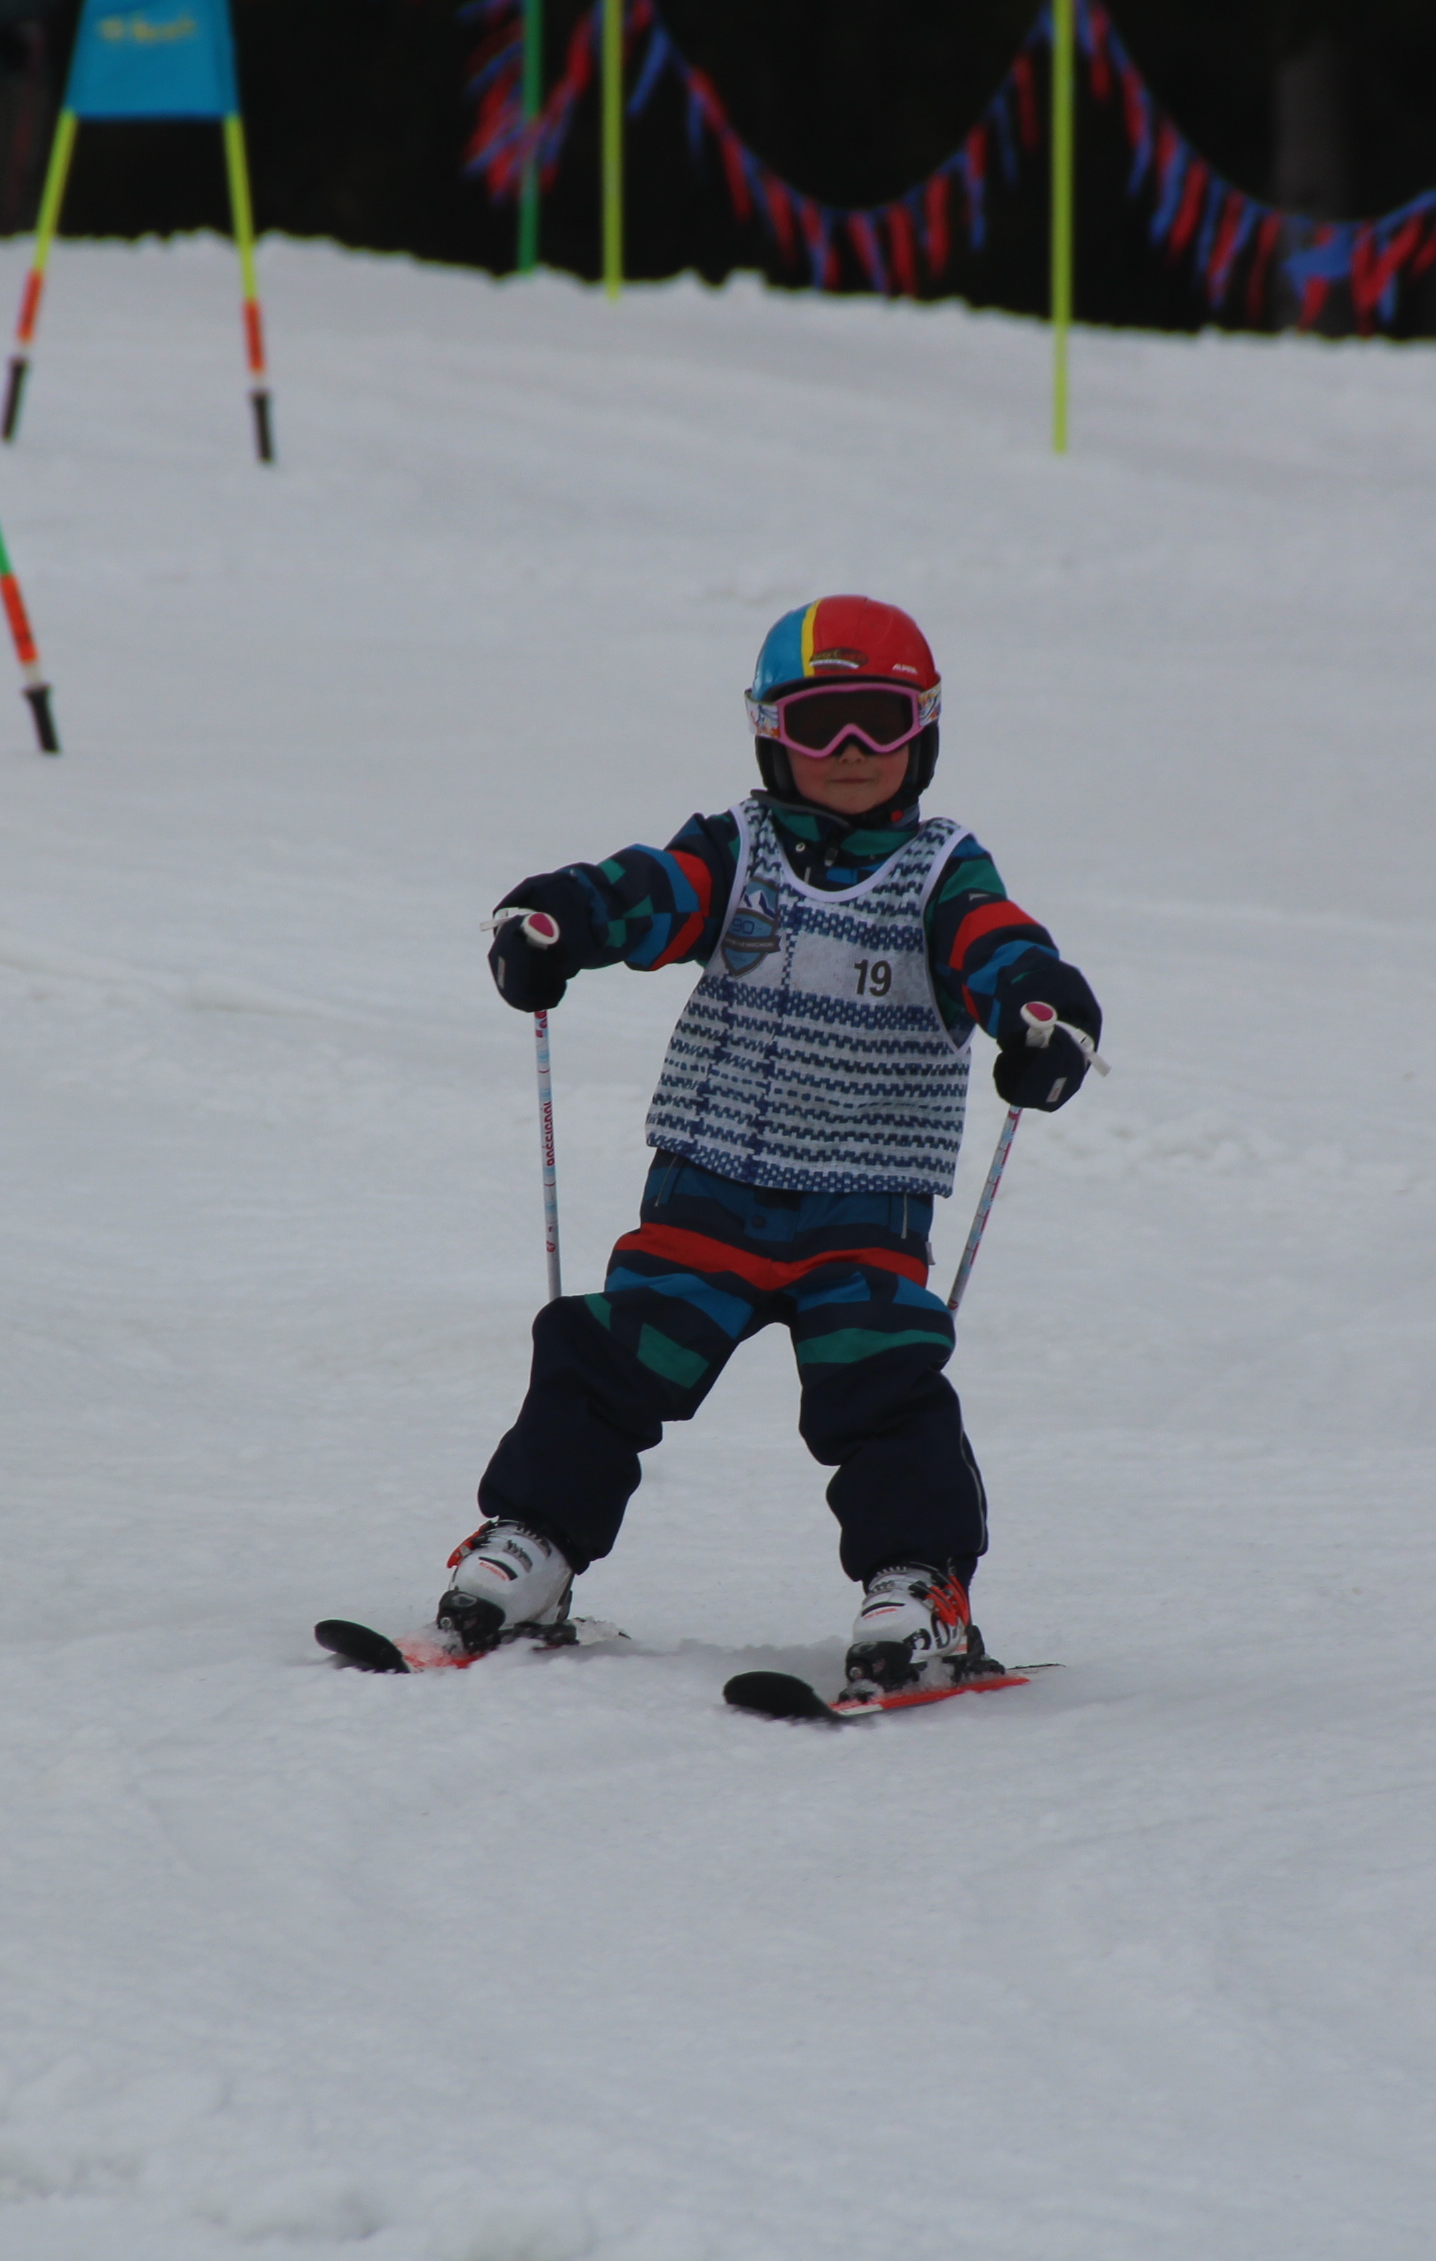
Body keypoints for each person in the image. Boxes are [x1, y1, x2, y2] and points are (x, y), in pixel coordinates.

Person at [431, 596, 1103, 1699]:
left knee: (882, 1389)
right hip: (707, 1191)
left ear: (925, 731)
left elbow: (999, 950)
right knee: (608, 1359)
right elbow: (649, 893)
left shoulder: (942, 874)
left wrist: (1043, 1013)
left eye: (881, 721)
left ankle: (919, 1584)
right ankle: (532, 1544)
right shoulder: (734, 852)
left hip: (865, 1209)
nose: (852, 750)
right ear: (769, 734)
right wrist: (560, 919)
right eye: (820, 723)